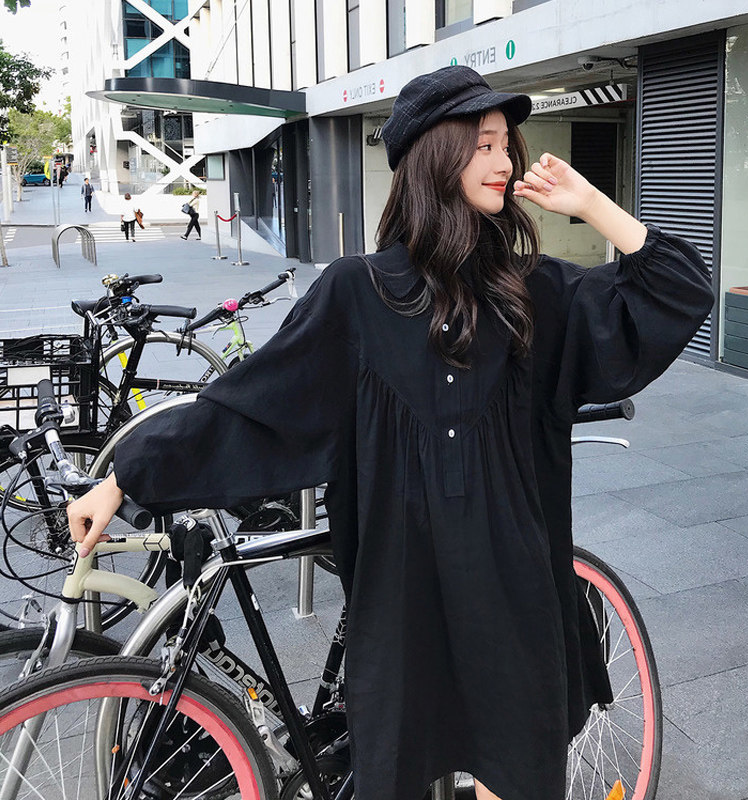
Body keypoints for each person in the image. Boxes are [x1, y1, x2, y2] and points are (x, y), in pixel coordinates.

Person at [68, 65, 713, 800]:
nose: (503, 161)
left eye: (505, 143)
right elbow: (253, 405)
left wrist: (591, 203)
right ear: (435, 159)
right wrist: (126, 477)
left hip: (515, 603)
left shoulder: (532, 294)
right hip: (401, 607)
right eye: (481, 144)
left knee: (516, 773)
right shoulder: (358, 293)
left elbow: (676, 291)